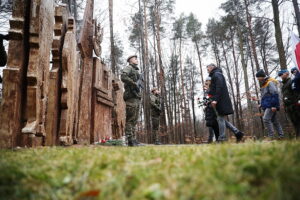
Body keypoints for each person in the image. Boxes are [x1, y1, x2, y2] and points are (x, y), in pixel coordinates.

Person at [206, 64, 244, 142]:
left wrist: (215, 100)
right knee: (220, 119)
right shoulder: (215, 75)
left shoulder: (217, 75)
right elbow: (213, 89)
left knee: (220, 118)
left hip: (220, 101)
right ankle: (237, 133)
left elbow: (219, 87)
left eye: (208, 69)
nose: (207, 70)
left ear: (212, 67)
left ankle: (222, 138)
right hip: (217, 100)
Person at [121, 55, 143, 146]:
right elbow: (123, 76)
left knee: (135, 120)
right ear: (130, 60)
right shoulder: (129, 68)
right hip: (131, 97)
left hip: (136, 97)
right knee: (130, 119)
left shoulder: (135, 70)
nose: (137, 60)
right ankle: (130, 139)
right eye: (135, 59)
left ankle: (134, 139)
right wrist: (134, 84)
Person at [256, 69, 284, 139]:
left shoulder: (270, 82)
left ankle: (271, 136)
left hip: (271, 105)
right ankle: (281, 136)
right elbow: (265, 96)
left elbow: (274, 94)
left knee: (266, 119)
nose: (258, 79)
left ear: (261, 76)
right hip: (268, 105)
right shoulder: (264, 83)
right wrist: (261, 104)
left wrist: (274, 106)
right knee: (274, 121)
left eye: (258, 77)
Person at [278, 69, 300, 138]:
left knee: (298, 122)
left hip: (294, 106)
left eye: (282, 74)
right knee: (294, 123)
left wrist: (297, 101)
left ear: (287, 73)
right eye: (280, 75)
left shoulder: (291, 82)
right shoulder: (283, 85)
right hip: (288, 107)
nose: (281, 76)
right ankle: (298, 138)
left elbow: (296, 92)